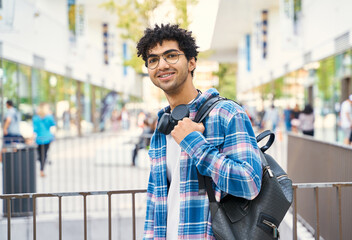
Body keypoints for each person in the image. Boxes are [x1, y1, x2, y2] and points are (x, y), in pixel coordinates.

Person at [136, 24, 262, 239]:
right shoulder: (163, 123)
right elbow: (156, 200)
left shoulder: (227, 113)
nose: (162, 65)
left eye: (171, 55)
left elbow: (249, 183)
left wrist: (195, 144)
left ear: (192, 62)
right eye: (153, 60)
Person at [32, 103, 56, 177]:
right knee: (44, 154)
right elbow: (53, 124)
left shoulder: (35, 118)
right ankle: (42, 170)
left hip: (39, 138)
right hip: (47, 138)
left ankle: (41, 168)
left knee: (39, 154)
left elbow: (35, 129)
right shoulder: (49, 117)